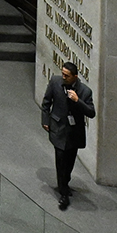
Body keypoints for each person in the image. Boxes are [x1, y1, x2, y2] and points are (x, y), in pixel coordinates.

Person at [42, 59, 96, 211]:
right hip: (58, 128)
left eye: (67, 75)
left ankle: (65, 182)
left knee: (70, 161)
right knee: (60, 160)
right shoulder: (55, 82)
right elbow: (46, 102)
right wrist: (45, 120)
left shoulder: (85, 91)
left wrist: (78, 101)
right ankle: (63, 192)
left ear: (75, 77)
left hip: (74, 133)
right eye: (63, 74)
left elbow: (91, 113)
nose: (64, 77)